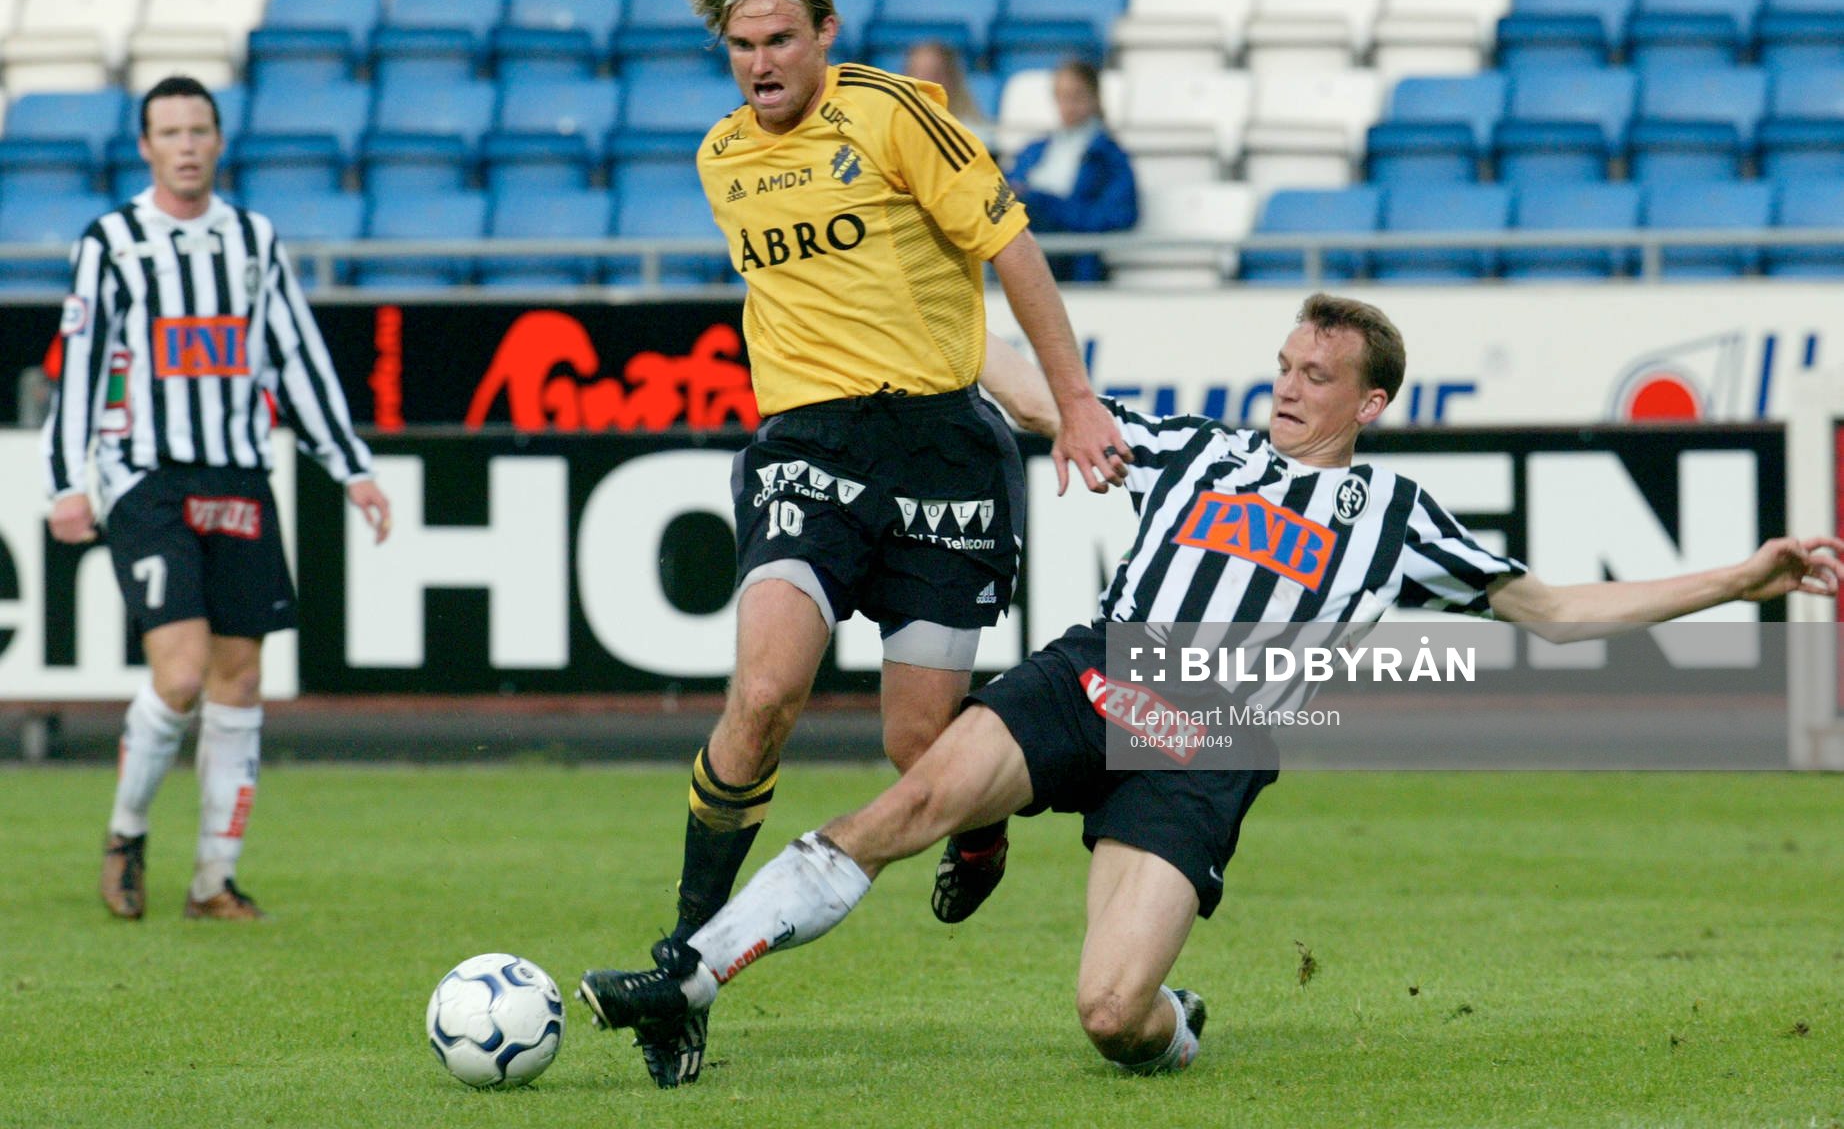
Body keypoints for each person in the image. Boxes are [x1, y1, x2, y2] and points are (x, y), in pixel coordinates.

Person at [579, 292, 1844, 1080]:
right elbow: (1024, 385)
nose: (1286, 388)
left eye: (1313, 376)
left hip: (1209, 737)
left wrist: (1748, 574)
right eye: (1283, 365)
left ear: (1371, 400)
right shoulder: (1196, 448)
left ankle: (1174, 1017)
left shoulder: (1395, 516)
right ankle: (689, 975)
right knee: (899, 807)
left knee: (1111, 1017)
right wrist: (918, 290)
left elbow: (1560, 610)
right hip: (1096, 674)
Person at [607, 0, 1128, 1088]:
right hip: (809, 446)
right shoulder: (719, 158)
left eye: (779, 39)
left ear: (824, 36)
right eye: (740, 47)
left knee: (916, 748)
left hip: (943, 452)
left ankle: (980, 820)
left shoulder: (897, 115)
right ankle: (683, 967)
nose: (759, 64)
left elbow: (1012, 251)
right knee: (764, 691)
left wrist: (1074, 404)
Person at [42, 75, 391, 923]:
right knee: (183, 671)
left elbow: (297, 360)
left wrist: (351, 467)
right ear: (146, 146)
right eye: (171, 131)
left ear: (220, 140)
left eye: (201, 129)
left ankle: (213, 880)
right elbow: (80, 367)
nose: (188, 145)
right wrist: (65, 482)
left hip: (238, 475)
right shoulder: (115, 241)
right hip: (149, 476)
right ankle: (127, 834)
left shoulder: (253, 240)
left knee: (239, 679)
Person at [1008, 59, 1138, 284]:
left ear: (1095, 98)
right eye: (1062, 97)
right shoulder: (1034, 150)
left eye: (1077, 96)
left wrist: (1049, 206)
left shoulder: (1109, 156)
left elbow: (1121, 214)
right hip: (1028, 243)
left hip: (1073, 258)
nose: (1068, 105)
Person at [901, 40, 994, 149]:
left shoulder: (974, 133)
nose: (927, 82)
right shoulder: (892, 129)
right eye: (919, 74)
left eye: (936, 74)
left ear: (953, 79)